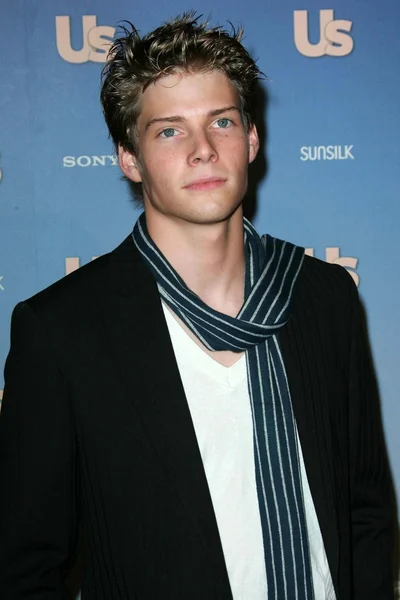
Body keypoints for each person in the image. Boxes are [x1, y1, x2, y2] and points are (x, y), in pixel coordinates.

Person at [0, 12, 395, 600]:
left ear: (252, 138)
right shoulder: (61, 332)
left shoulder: (323, 296)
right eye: (169, 131)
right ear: (129, 158)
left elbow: (363, 512)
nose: (203, 150)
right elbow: (26, 567)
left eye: (221, 122)